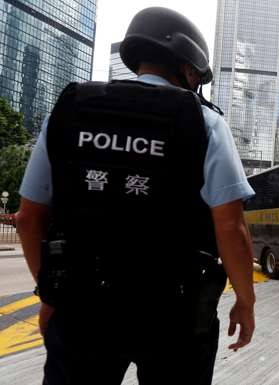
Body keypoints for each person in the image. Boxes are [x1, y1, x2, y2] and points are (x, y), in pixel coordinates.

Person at [16, 7, 256, 385]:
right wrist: (246, 301)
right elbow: (230, 226)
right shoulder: (205, 122)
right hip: (173, 316)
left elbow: (28, 217)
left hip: (81, 308)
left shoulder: (72, 109)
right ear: (189, 68)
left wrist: (50, 294)